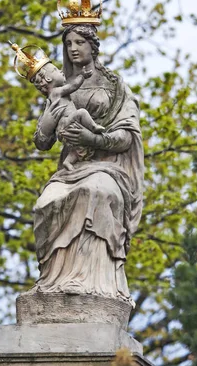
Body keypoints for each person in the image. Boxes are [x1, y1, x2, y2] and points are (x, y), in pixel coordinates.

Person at [31, 23, 144, 304]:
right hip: (71, 167)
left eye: (79, 42)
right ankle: (52, 283)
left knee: (95, 192)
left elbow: (126, 137)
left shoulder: (115, 87)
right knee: (47, 201)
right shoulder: (59, 88)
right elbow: (42, 141)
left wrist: (92, 138)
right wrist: (50, 113)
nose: (72, 49)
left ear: (92, 45)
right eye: (68, 44)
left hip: (108, 168)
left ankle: (95, 285)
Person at [31, 61, 104, 170]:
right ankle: (93, 126)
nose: (60, 70)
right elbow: (73, 86)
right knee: (82, 112)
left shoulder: (52, 97)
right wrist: (82, 76)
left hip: (64, 129)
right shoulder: (56, 92)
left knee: (76, 148)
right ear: (48, 79)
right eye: (55, 70)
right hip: (69, 122)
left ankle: (68, 162)